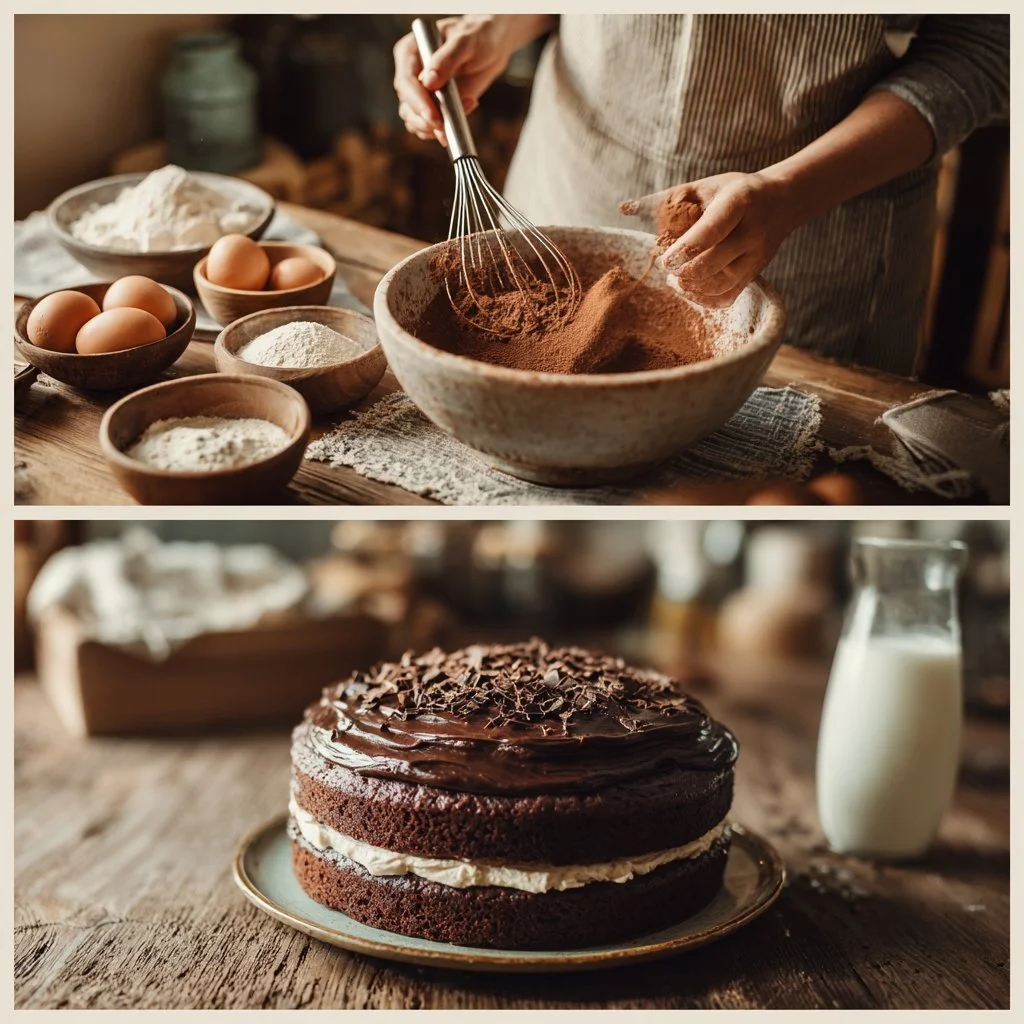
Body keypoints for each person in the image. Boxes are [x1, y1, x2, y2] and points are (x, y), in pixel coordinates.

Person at [393, 14, 1009, 375]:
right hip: (577, 172)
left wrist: (790, 190)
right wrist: (500, 23)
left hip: (822, 223)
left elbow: (986, 45)